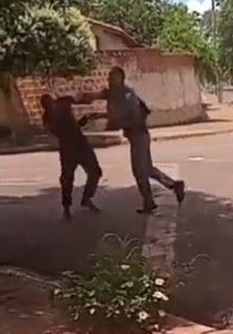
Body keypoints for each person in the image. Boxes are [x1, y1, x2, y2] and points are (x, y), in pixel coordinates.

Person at [75, 67, 185, 214]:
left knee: (140, 171)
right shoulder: (113, 94)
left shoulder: (127, 95)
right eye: (109, 77)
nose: (109, 80)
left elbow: (127, 117)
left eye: (112, 78)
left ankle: (154, 198)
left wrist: (110, 120)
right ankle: (167, 190)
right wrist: (82, 100)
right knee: (147, 169)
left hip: (139, 135)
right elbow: (97, 96)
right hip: (136, 136)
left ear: (121, 79)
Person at [40, 94, 103, 221]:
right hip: (68, 149)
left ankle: (86, 198)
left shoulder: (63, 104)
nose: (50, 106)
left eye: (50, 102)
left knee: (95, 172)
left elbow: (78, 101)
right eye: (47, 105)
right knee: (67, 178)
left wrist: (83, 119)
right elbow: (58, 131)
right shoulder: (47, 118)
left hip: (81, 144)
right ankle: (67, 207)